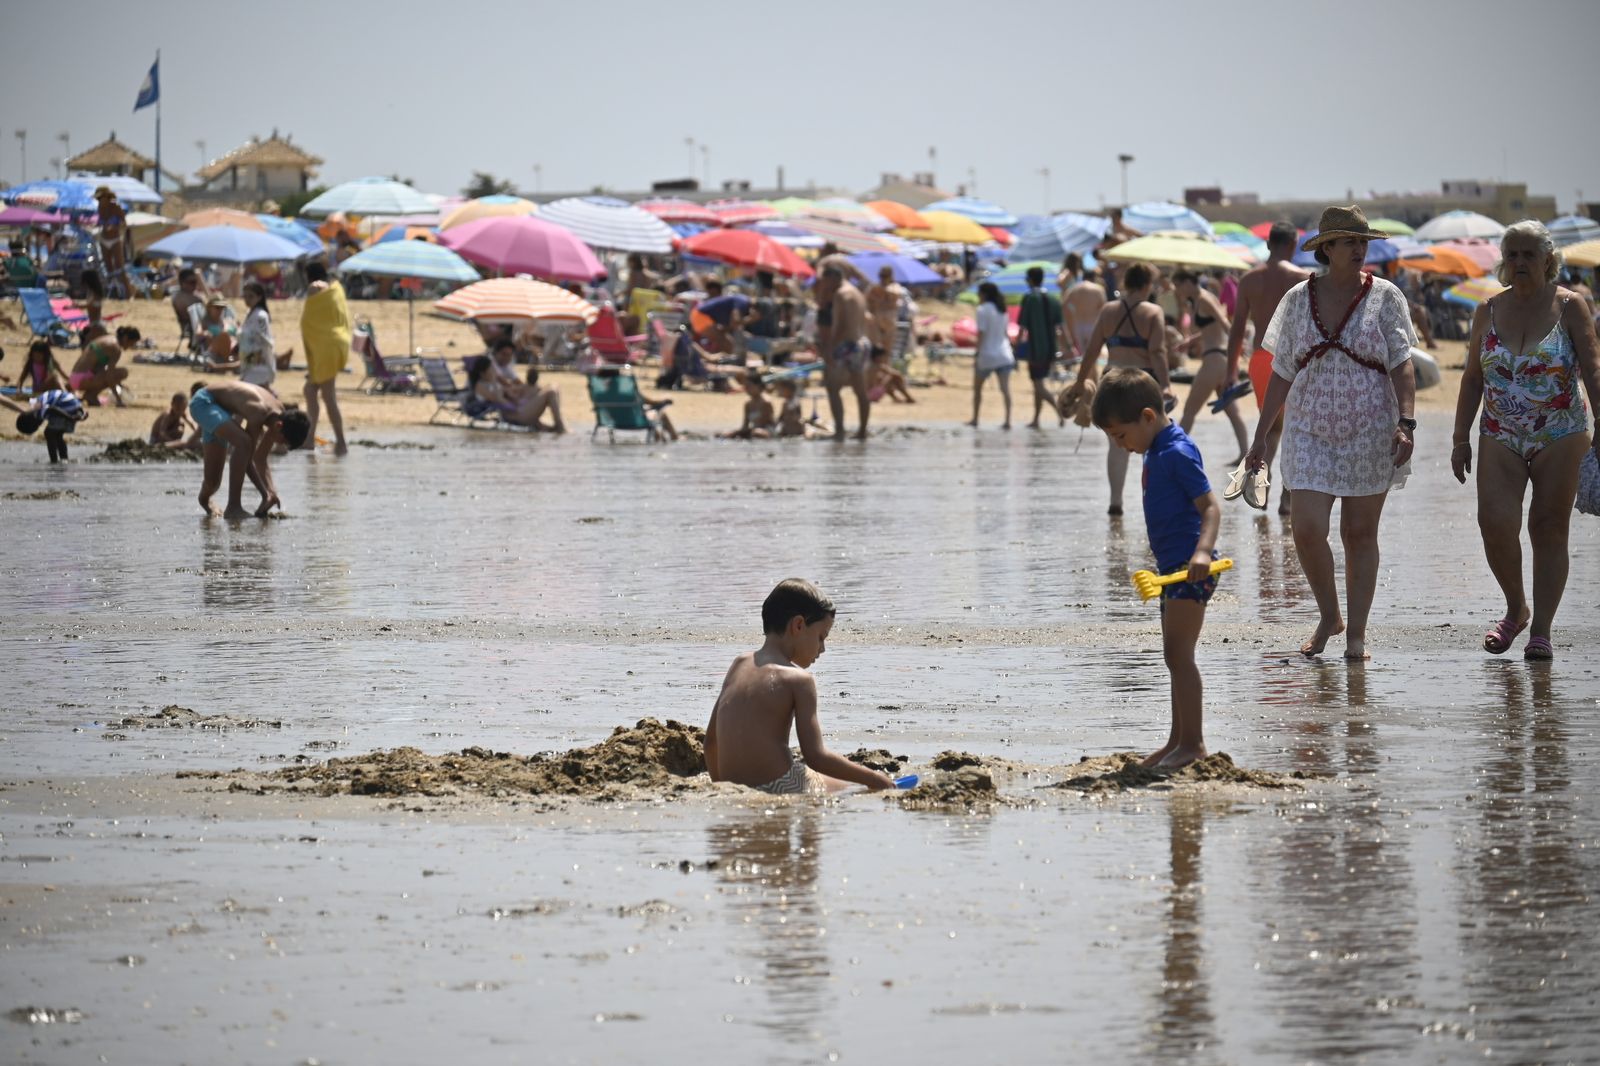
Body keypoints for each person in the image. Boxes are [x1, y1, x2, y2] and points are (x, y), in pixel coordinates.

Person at [1244, 206, 1418, 661]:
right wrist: (1261, 436)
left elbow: (1402, 364)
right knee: (1305, 528)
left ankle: (1356, 634)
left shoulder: (1386, 297)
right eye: (1348, 242)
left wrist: (1407, 422)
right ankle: (1329, 614)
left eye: (1362, 241)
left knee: (1359, 534)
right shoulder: (1299, 299)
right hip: (1308, 427)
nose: (1359, 249)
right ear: (1327, 249)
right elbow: (1281, 371)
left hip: (1370, 427)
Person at [1450, 220, 1600, 661]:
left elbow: (1592, 368)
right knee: (1494, 523)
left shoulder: (1572, 306)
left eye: (1528, 254)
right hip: (1499, 431)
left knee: (1548, 528)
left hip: (1561, 429)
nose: (1518, 262)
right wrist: (1460, 438)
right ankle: (1516, 608)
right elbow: (1473, 377)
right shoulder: (1487, 310)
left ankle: (1543, 630)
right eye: (1511, 253)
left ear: (1548, 260)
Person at [1091, 368, 1221, 768]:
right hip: (1171, 568)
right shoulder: (1155, 449)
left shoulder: (1177, 452)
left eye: (1120, 435)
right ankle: (1176, 740)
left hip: (1190, 569)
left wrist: (1202, 554)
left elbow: (1212, 508)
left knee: (1179, 655)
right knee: (1173, 656)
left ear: (1148, 416)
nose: (1122, 445)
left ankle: (1194, 744)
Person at [703, 579, 897, 794]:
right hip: (781, 784)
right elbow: (816, 757)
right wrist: (875, 779)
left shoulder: (739, 663)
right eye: (821, 636)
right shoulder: (799, 680)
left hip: (734, 785)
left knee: (830, 780)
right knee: (851, 788)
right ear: (798, 625)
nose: (822, 648)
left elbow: (711, 743)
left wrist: (722, 786)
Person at [1063, 263, 1173, 515]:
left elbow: (1091, 350)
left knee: (1117, 444)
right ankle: (1154, 502)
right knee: (1154, 441)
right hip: (1142, 382)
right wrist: (1166, 384)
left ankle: (1116, 502)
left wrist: (1080, 382)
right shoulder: (1153, 312)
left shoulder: (1108, 310)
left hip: (1111, 380)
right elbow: (1157, 351)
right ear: (1146, 285)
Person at [1225, 222, 1310, 515]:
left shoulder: (1249, 279)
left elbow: (1237, 330)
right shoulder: (1302, 278)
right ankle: (1287, 499)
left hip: (1260, 359)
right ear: (1291, 245)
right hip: (1294, 360)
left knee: (1272, 427)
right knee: (1294, 428)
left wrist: (1229, 372)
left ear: (1268, 245)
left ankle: (1264, 478)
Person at [189, 380, 310, 519]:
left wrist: (270, 492)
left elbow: (259, 459)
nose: (280, 444)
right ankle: (233, 507)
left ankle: (204, 500)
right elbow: (245, 455)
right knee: (243, 442)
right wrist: (264, 493)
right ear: (279, 426)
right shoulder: (258, 413)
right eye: (283, 441)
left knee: (213, 482)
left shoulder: (279, 416)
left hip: (221, 411)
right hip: (204, 403)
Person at [1173, 268, 1250, 461]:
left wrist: (1239, 345)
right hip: (1219, 359)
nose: (1177, 290)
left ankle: (1175, 453)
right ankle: (1245, 454)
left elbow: (1224, 322)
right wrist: (1190, 341)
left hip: (1214, 360)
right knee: (1232, 411)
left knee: (1190, 409)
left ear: (1188, 282)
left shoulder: (1205, 299)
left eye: (1178, 285)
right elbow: (1211, 328)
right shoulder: (1199, 300)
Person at [813, 264, 872, 441]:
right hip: (861, 343)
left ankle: (839, 431)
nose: (823, 285)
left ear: (832, 278)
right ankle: (862, 431)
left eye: (824, 281)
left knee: (832, 387)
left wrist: (830, 348)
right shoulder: (857, 292)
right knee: (860, 391)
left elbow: (841, 325)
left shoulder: (840, 294)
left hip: (845, 345)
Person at [300, 261, 351, 455]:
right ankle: (309, 439)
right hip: (331, 345)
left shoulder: (316, 287)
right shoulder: (335, 289)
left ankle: (341, 443)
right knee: (310, 390)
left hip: (325, 347)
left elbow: (314, 315)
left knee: (329, 396)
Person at [1016, 266, 1064, 428]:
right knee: (1039, 384)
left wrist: (1016, 346)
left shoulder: (1029, 298)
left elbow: (1022, 327)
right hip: (1050, 348)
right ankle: (1036, 419)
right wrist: (1068, 347)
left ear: (1030, 280)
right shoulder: (1052, 298)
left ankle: (1060, 412)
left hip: (1036, 349)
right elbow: (1060, 327)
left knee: (1038, 385)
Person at [968, 280, 1015, 428]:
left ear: (984, 295)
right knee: (1005, 389)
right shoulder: (1002, 310)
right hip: (1004, 354)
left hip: (987, 355)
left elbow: (981, 334)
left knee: (977, 389)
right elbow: (1005, 334)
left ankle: (975, 419)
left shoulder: (982, 310)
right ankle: (1008, 420)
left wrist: (977, 353)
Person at [2, 387, 87, 463]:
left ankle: (53, 461)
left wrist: (70, 417)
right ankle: (64, 459)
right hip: (71, 404)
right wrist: (79, 412)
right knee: (57, 435)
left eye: (36, 427)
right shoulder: (35, 404)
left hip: (68, 408)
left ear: (32, 422)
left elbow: (52, 409)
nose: (39, 425)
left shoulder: (38, 411)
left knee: (48, 433)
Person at [68, 324, 138, 407]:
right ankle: (91, 396)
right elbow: (109, 376)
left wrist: (119, 385)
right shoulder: (115, 348)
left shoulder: (106, 339)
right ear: (126, 338)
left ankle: (90, 395)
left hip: (74, 378)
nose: (131, 346)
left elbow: (99, 367)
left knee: (113, 374)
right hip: (83, 380)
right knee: (123, 373)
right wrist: (119, 400)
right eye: (132, 343)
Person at [237, 281, 290, 389]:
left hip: (259, 363)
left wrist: (268, 362)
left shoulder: (261, 316)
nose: (247, 300)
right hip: (248, 360)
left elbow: (265, 340)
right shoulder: (250, 314)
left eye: (250, 296)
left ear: (259, 297)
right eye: (245, 296)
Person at [1060, 254, 1106, 369]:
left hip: (1078, 324)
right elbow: (1104, 308)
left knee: (1083, 355)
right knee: (1094, 355)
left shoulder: (1075, 288)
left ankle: (1084, 377)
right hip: (1092, 325)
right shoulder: (1098, 289)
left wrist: (1072, 314)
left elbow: (1064, 304)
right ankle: (1092, 376)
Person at [722, 372, 775, 439]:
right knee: (725, 434)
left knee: (756, 433)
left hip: (767, 431)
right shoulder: (748, 404)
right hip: (754, 431)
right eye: (746, 386)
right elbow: (745, 425)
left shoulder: (766, 402)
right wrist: (734, 433)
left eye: (749, 386)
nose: (747, 389)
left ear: (758, 386)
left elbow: (767, 423)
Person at [200, 294, 240, 368]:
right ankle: (229, 365)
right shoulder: (205, 322)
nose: (220, 310)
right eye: (217, 307)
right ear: (209, 307)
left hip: (231, 353)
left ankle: (226, 366)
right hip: (215, 353)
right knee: (224, 336)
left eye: (222, 308)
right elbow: (198, 332)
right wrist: (205, 333)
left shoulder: (226, 321)